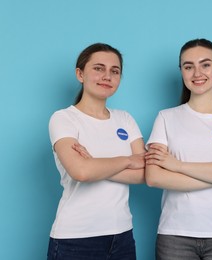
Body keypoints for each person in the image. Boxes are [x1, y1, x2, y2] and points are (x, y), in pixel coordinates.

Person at [145, 38, 212, 260]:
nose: (197, 73)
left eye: (205, 64)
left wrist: (177, 166)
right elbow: (154, 177)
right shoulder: (166, 118)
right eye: (188, 66)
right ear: (181, 71)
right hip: (175, 234)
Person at [47, 43, 145, 260]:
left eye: (115, 71)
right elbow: (81, 172)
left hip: (122, 236)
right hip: (76, 238)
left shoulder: (125, 119)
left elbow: (146, 173)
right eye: (98, 68)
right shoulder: (63, 119)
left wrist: (95, 164)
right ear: (80, 74)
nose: (107, 76)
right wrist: (129, 159)